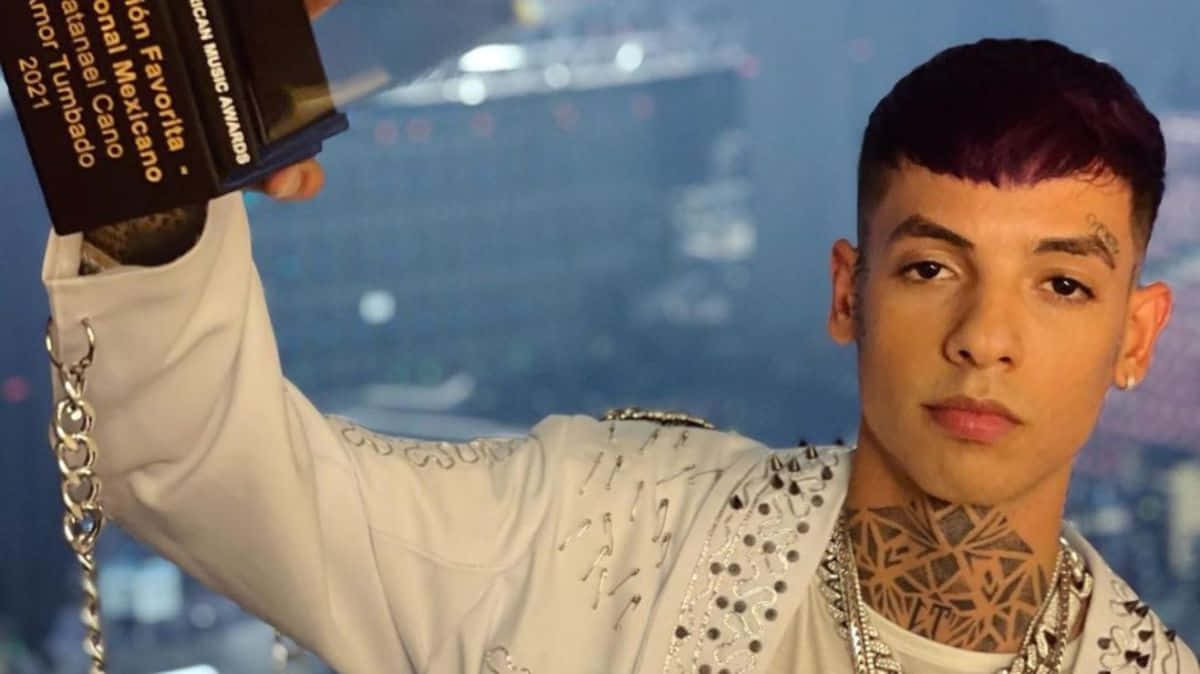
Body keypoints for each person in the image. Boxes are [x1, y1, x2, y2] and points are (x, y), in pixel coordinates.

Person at [37, 1, 1198, 669]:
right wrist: (152, 131)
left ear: (1136, 334)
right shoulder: (608, 531)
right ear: (850, 293)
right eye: (932, 267)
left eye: (1060, 284)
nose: (985, 336)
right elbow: (216, 473)